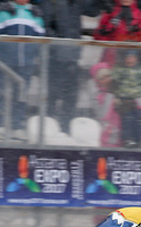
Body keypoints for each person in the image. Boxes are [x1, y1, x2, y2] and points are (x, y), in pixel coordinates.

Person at [41, 0, 101, 131]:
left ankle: (66, 127)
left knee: (71, 95)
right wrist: (59, 44)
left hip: (72, 57)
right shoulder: (51, 3)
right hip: (55, 58)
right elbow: (45, 26)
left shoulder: (76, 3)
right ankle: (48, 128)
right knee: (52, 95)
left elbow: (93, 11)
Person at [0, 0, 45, 135]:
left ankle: (17, 125)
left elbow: (41, 39)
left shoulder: (34, 14)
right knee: (3, 93)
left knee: (21, 96)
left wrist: (35, 57)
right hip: (7, 62)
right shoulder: (5, 12)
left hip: (27, 63)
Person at [111, 49, 141, 147]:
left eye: (132, 57)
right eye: (127, 57)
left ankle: (140, 139)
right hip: (125, 98)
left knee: (139, 119)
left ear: (137, 59)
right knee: (127, 118)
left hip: (139, 98)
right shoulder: (120, 69)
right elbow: (114, 83)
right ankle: (128, 139)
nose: (129, 59)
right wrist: (116, 96)